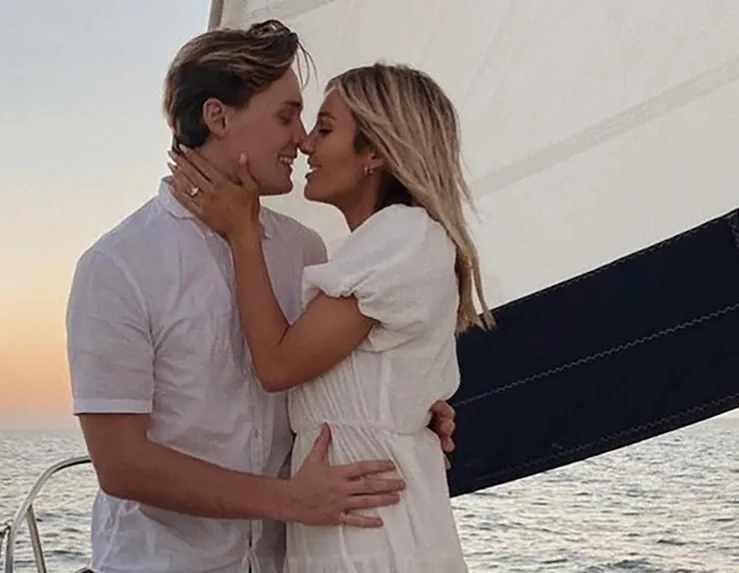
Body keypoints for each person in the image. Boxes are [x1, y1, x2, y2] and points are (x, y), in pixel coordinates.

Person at [67, 20, 458, 573]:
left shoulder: (304, 250)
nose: (301, 139)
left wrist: (411, 408)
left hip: (290, 559)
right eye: (286, 115)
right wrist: (291, 501)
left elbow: (324, 367)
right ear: (218, 117)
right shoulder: (117, 266)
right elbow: (122, 466)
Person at [168, 61, 494, 572]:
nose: (305, 145)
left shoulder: (401, 238)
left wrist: (242, 232)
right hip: (357, 525)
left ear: (376, 153)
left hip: (371, 537)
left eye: (324, 129)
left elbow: (277, 366)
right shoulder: (380, 247)